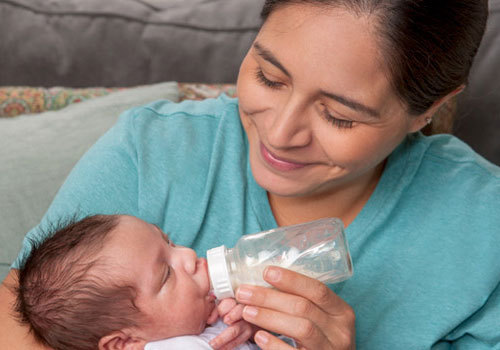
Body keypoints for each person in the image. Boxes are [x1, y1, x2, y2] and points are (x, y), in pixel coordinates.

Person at [1, 0, 499, 349]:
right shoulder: (153, 150)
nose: (280, 134)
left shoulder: (484, 230)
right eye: (269, 77)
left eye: (339, 116)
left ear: (427, 110)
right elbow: (20, 323)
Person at [15, 214, 258, 350]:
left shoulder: (202, 319)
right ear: (125, 343)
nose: (189, 255)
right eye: (167, 275)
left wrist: (254, 329)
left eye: (170, 242)